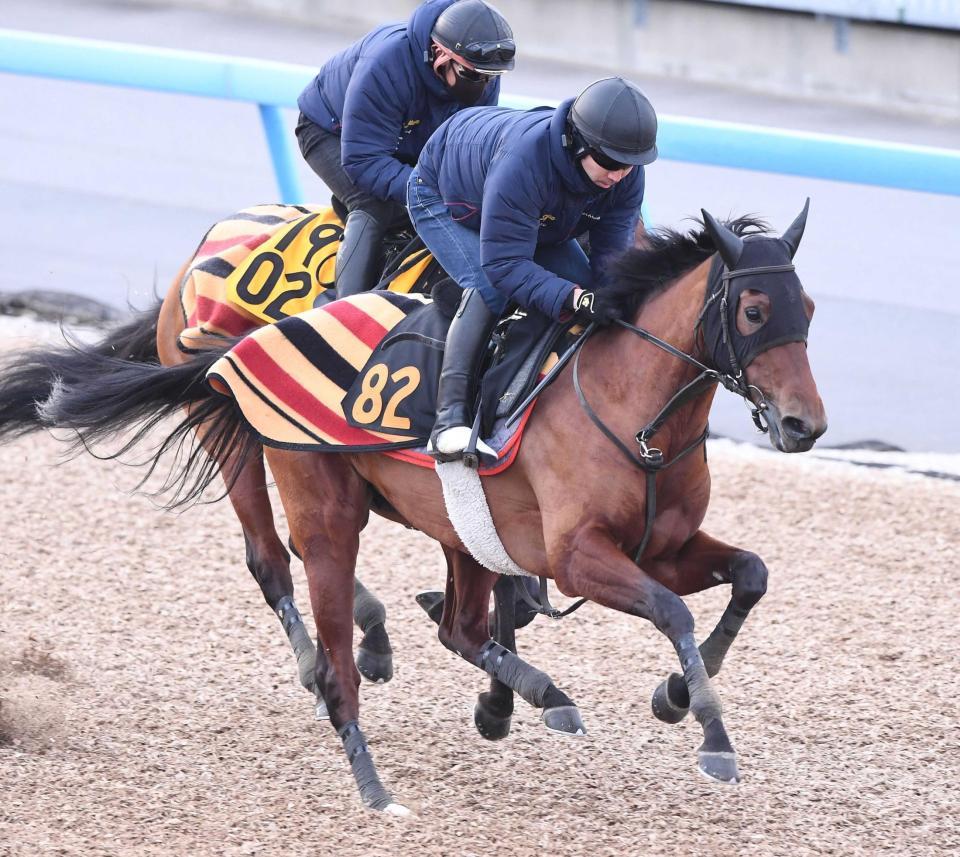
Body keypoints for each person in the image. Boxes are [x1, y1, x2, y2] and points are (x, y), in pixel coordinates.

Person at [407, 76, 658, 462]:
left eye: (631, 165)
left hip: (541, 216)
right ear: (578, 143)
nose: (620, 175)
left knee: (588, 290)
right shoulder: (524, 161)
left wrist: (608, 297)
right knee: (489, 286)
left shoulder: (624, 173)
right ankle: (448, 420)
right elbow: (503, 265)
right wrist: (575, 298)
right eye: (610, 162)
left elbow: (611, 257)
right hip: (439, 192)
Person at [295, 0, 516, 298]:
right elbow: (364, 161)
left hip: (403, 135)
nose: (484, 86)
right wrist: (431, 190)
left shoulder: (481, 75)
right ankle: (344, 305)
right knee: (374, 203)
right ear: (440, 55)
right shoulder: (386, 63)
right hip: (330, 130)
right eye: (474, 75)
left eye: (492, 77)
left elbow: (464, 150)